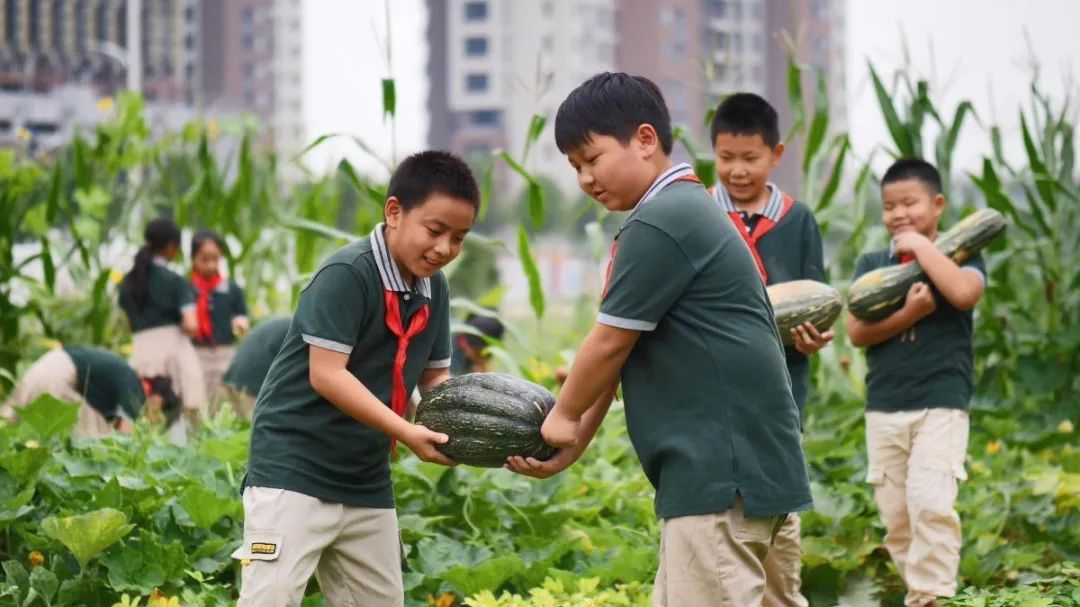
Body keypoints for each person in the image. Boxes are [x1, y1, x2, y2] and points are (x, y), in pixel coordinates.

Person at [508, 72, 812, 607]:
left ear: (645, 140)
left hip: (719, 475)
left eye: (591, 157)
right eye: (574, 166)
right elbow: (621, 349)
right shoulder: (681, 211)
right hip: (747, 472)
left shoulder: (661, 222)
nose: (583, 177)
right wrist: (572, 442)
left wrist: (558, 420)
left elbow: (606, 345)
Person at [233, 151, 479, 606]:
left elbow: (436, 379)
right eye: (435, 230)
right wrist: (408, 433)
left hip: (365, 477)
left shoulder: (435, 288)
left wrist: (483, 436)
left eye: (459, 238)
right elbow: (327, 376)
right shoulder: (347, 273)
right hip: (294, 469)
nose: (445, 248)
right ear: (394, 212)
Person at [710, 92, 832, 606]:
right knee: (723, 506)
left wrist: (816, 337)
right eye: (726, 158)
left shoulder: (798, 220)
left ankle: (782, 596)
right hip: (715, 391)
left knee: (778, 503)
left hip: (782, 389)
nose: (737, 171)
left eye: (750, 158)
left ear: (776, 155)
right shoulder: (701, 216)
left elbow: (818, 299)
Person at [846, 158, 986, 607]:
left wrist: (924, 250)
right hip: (884, 405)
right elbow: (856, 332)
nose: (898, 214)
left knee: (931, 503)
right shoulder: (872, 266)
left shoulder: (962, 256)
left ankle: (933, 597)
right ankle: (920, 592)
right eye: (890, 206)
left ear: (938, 205)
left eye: (910, 203)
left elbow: (964, 294)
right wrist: (909, 314)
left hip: (940, 401)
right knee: (898, 519)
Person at [118, 218, 206, 426]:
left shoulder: (128, 282)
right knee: (185, 417)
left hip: (142, 353)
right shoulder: (175, 281)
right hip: (174, 353)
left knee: (145, 418)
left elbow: (130, 323)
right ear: (171, 247)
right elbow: (191, 325)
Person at [4, 345, 181, 437]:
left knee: (7, 425)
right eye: (158, 416)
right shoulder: (134, 387)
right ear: (157, 400)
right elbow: (125, 435)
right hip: (58, 376)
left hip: (47, 365)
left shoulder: (125, 374)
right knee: (88, 439)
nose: (153, 422)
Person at [189, 230, 250, 400]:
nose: (210, 265)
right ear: (193, 258)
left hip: (224, 353)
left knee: (223, 398)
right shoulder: (186, 289)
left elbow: (241, 313)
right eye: (204, 259)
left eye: (215, 259)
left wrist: (240, 323)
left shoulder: (231, 289)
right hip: (195, 352)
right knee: (196, 399)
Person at [219, 315, 291, 419]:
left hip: (234, 377)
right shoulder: (302, 331)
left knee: (242, 428)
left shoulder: (286, 324)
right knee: (254, 428)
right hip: (251, 384)